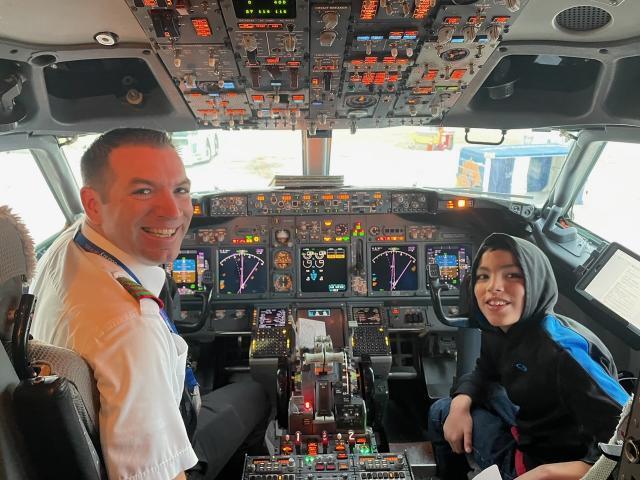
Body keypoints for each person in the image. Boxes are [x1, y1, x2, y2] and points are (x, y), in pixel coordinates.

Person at [30, 128, 269, 480]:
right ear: (93, 203)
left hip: (114, 436)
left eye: (180, 190)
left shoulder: (70, 243)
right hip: (169, 455)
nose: (172, 211)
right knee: (258, 393)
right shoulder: (130, 329)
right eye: (143, 191)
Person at [428, 233, 629, 480]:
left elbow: (625, 441)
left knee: (438, 413)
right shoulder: (499, 328)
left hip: (544, 464)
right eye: (484, 276)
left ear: (535, 281)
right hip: (533, 426)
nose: (494, 286)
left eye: (512, 275)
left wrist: (544, 473)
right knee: (449, 408)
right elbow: (485, 372)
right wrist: (460, 404)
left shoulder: (565, 354)